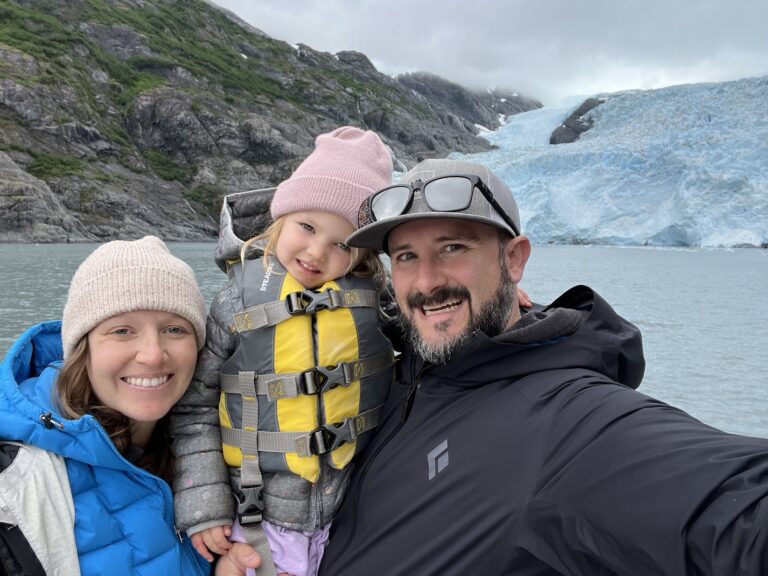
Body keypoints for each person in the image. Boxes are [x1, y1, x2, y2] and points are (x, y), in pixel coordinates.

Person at [316, 159, 768, 575]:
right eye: (405, 257)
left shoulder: (568, 419)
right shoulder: (396, 375)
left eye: (452, 247)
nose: (426, 282)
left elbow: (733, 510)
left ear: (513, 259)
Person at [171, 126, 397, 576]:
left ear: (362, 253)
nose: (316, 251)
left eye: (341, 243)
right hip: (256, 524)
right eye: (306, 227)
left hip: (351, 519)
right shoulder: (236, 301)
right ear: (281, 218)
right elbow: (193, 409)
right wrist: (206, 504)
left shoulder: (378, 300)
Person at [0, 236, 261, 576]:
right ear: (82, 348)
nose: (153, 354)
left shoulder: (218, 449)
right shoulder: (17, 480)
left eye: (174, 329)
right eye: (122, 330)